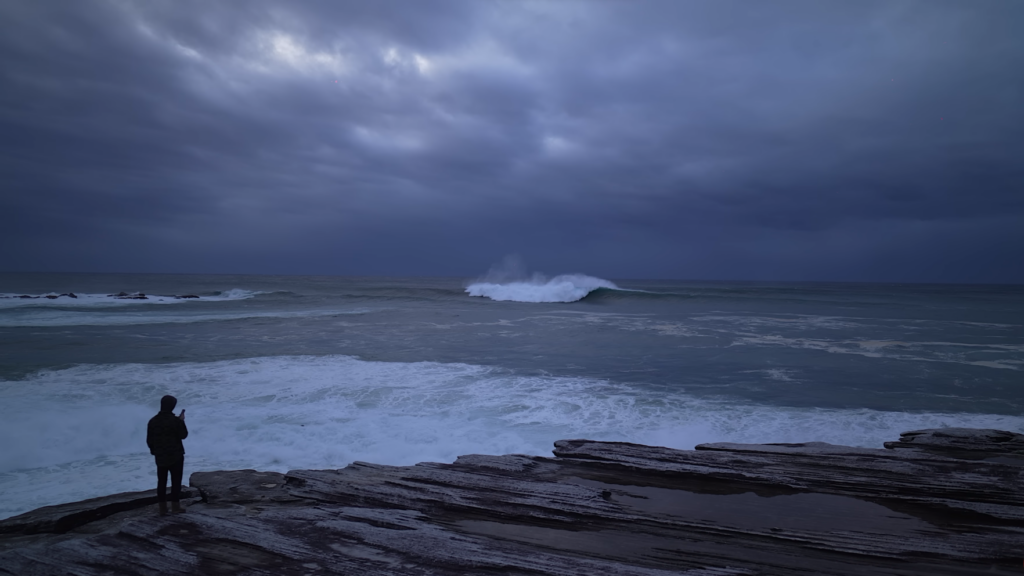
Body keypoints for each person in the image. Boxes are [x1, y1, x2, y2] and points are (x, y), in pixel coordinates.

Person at [146, 394, 188, 515]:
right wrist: (181, 421)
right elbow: (183, 435)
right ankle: (175, 507)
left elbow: (149, 440)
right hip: (176, 455)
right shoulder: (175, 421)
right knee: (176, 481)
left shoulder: (153, 421)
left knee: (161, 482)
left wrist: (155, 452)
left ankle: (162, 508)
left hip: (160, 456)